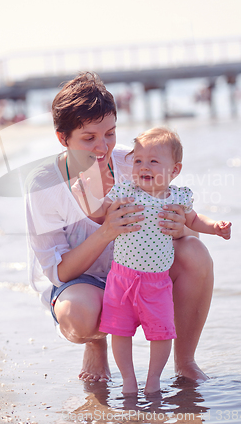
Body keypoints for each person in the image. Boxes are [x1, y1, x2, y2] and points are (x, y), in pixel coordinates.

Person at [25, 71, 214, 384]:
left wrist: (181, 226)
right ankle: (96, 345)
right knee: (80, 317)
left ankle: (185, 362)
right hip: (83, 283)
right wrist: (106, 231)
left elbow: (188, 233)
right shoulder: (44, 185)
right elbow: (59, 273)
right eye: (89, 138)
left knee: (197, 253)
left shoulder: (135, 162)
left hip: (141, 273)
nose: (103, 147)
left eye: (109, 134)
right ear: (63, 138)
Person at [72, 127, 231, 394]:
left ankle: (153, 380)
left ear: (175, 170)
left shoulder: (178, 197)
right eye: (138, 161)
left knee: (162, 333)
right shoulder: (125, 191)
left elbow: (193, 220)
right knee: (120, 332)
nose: (143, 167)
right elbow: (100, 214)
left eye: (153, 162)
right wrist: (84, 196)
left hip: (157, 283)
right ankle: (129, 381)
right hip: (121, 280)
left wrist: (215, 226)